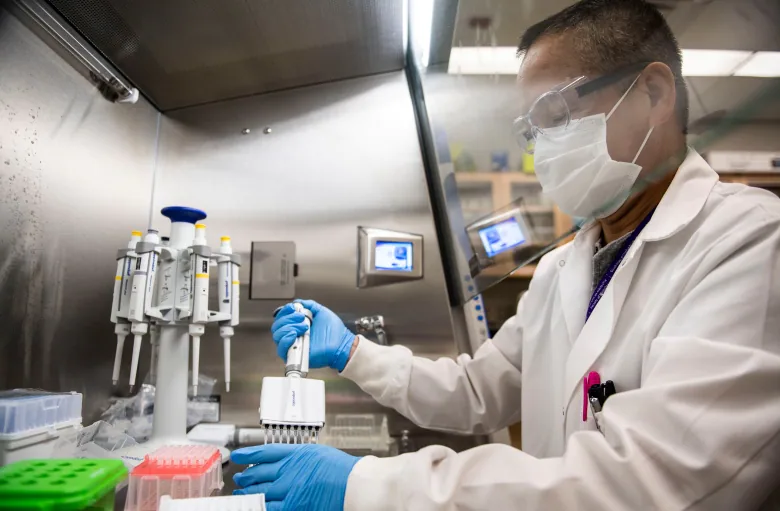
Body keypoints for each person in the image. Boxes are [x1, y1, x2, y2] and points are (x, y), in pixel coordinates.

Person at [231, 0, 780, 509]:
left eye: (554, 112)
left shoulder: (748, 240)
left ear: (653, 94)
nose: (541, 146)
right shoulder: (564, 268)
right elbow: (476, 390)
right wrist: (355, 353)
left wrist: (368, 485)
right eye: (530, 129)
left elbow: (651, 479)